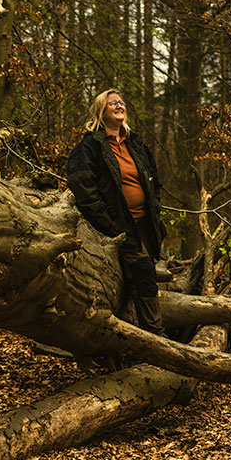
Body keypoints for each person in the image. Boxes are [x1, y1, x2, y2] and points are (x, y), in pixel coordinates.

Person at [66, 88, 167, 336]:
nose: (119, 106)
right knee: (144, 272)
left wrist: (154, 208)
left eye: (121, 102)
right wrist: (109, 224)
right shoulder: (90, 145)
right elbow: (83, 187)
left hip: (145, 226)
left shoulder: (136, 143)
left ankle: (132, 337)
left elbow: (154, 183)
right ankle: (157, 336)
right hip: (118, 227)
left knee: (137, 280)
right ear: (101, 111)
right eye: (113, 104)